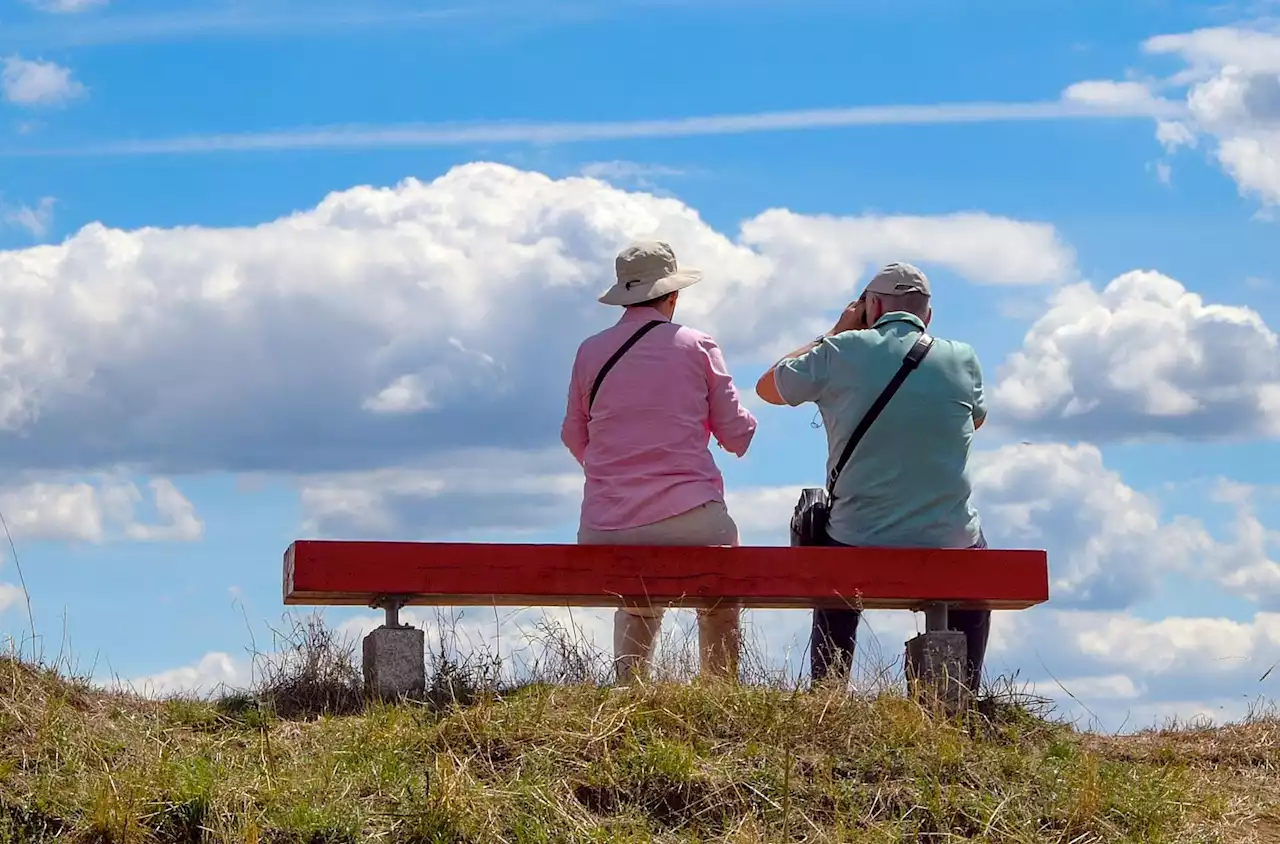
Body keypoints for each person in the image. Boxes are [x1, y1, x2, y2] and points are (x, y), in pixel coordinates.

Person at [753, 262, 989, 692]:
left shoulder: (841, 350)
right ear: (927, 315)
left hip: (857, 537)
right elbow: (975, 422)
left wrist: (836, 331)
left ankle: (828, 690)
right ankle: (962, 694)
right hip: (947, 538)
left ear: (872, 306)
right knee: (976, 554)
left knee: (827, 539)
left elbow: (768, 386)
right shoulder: (962, 357)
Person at [561, 240, 758, 685]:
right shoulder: (697, 344)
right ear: (673, 295)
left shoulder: (590, 351)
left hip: (604, 525)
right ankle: (720, 689)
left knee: (637, 594)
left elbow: (573, 434)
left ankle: (631, 689)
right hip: (690, 517)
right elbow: (737, 435)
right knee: (721, 591)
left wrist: (613, 471)